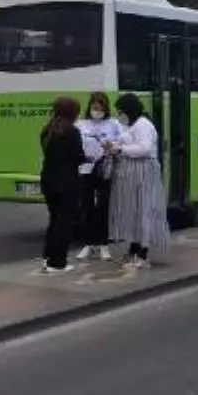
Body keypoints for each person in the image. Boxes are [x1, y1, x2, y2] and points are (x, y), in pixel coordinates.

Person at [107, 93, 171, 268]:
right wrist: (112, 145)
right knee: (133, 212)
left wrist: (120, 149)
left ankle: (143, 254)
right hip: (133, 174)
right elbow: (123, 141)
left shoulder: (143, 125)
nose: (120, 115)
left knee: (143, 211)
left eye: (121, 111)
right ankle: (134, 249)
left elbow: (144, 148)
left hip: (143, 173)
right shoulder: (132, 125)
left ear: (129, 109)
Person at [39, 96, 86, 272]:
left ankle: (47, 257)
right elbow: (78, 157)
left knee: (54, 220)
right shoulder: (72, 132)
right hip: (67, 182)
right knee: (64, 224)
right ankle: (58, 262)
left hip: (49, 180)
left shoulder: (47, 130)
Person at [76, 91, 122, 261]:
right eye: (94, 107)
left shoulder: (113, 124)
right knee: (86, 207)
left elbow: (121, 142)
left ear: (105, 108)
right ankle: (88, 244)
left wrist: (111, 146)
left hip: (104, 169)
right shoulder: (81, 124)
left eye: (100, 108)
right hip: (85, 170)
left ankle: (104, 245)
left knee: (103, 207)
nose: (97, 111)